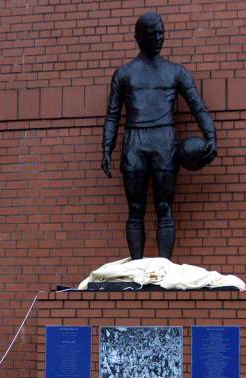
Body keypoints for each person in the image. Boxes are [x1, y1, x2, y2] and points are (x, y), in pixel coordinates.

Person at [101, 12, 217, 260]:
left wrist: (211, 136)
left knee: (164, 206)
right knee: (135, 209)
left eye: (161, 32)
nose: (159, 38)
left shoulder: (176, 72)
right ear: (139, 37)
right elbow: (112, 116)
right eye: (153, 33)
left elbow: (198, 106)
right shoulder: (124, 74)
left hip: (165, 141)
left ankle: (164, 268)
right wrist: (106, 149)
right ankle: (135, 267)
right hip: (134, 141)